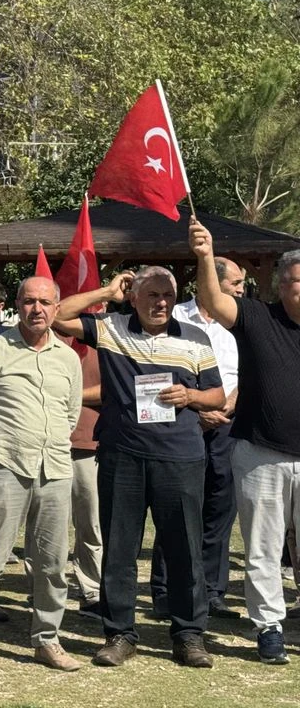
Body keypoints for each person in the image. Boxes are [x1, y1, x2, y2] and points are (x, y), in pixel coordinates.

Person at [55, 267, 224, 669]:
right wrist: (106, 291)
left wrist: (191, 395)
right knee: (119, 549)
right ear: (134, 297)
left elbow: (217, 395)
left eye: (167, 295)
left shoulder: (195, 339)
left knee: (184, 548)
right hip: (123, 456)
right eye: (151, 294)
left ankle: (188, 635)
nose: (160, 302)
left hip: (180, 458)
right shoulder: (111, 327)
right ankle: (119, 634)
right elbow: (59, 314)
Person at [0, 277, 83, 673]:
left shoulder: (68, 358)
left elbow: (71, 415)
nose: (37, 309)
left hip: (56, 469)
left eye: (45, 302)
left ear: (57, 309)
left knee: (51, 561)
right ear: (18, 306)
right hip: (7, 466)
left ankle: (47, 638)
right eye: (29, 301)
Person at [190, 220, 300, 664]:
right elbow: (212, 300)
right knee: (262, 547)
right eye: (291, 281)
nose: (298, 288)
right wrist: (204, 256)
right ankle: (269, 626)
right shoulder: (257, 317)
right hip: (260, 452)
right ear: (278, 285)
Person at [150, 256, 245, 622]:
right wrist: (197, 409)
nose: (239, 290)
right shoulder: (175, 318)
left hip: (227, 425)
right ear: (212, 281)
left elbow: (246, 371)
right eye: (235, 283)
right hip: (184, 421)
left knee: (219, 510)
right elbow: (159, 367)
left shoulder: (240, 321)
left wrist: (226, 406)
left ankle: (212, 591)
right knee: (176, 506)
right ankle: (163, 589)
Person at [68, 345, 104, 618]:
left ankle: (91, 590)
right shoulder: (44, 336)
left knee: (90, 523)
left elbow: (114, 388)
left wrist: (68, 394)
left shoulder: (102, 342)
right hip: (45, 442)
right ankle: (40, 589)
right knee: (41, 525)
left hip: (89, 443)